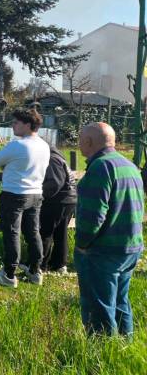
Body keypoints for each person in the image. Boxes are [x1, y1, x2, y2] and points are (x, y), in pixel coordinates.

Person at [75, 122, 143, 336]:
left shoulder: (100, 167)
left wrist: (82, 244)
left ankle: (102, 352)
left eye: (80, 140)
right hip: (130, 246)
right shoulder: (128, 165)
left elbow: (93, 215)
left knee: (99, 307)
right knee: (121, 302)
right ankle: (124, 345)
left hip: (104, 249)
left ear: (89, 142)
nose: (79, 144)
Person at [0, 109, 49, 288]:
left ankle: (9, 274)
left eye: (16, 122)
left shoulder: (18, 145)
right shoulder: (44, 145)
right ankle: (35, 271)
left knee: (12, 233)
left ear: (27, 125)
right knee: (33, 233)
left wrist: (8, 166)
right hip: (36, 194)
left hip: (14, 193)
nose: (13, 125)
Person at [33, 146, 77, 274]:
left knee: (46, 232)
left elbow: (55, 183)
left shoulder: (51, 159)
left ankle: (40, 265)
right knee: (60, 233)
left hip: (58, 200)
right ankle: (59, 264)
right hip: (68, 199)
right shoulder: (57, 157)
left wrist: (39, 195)